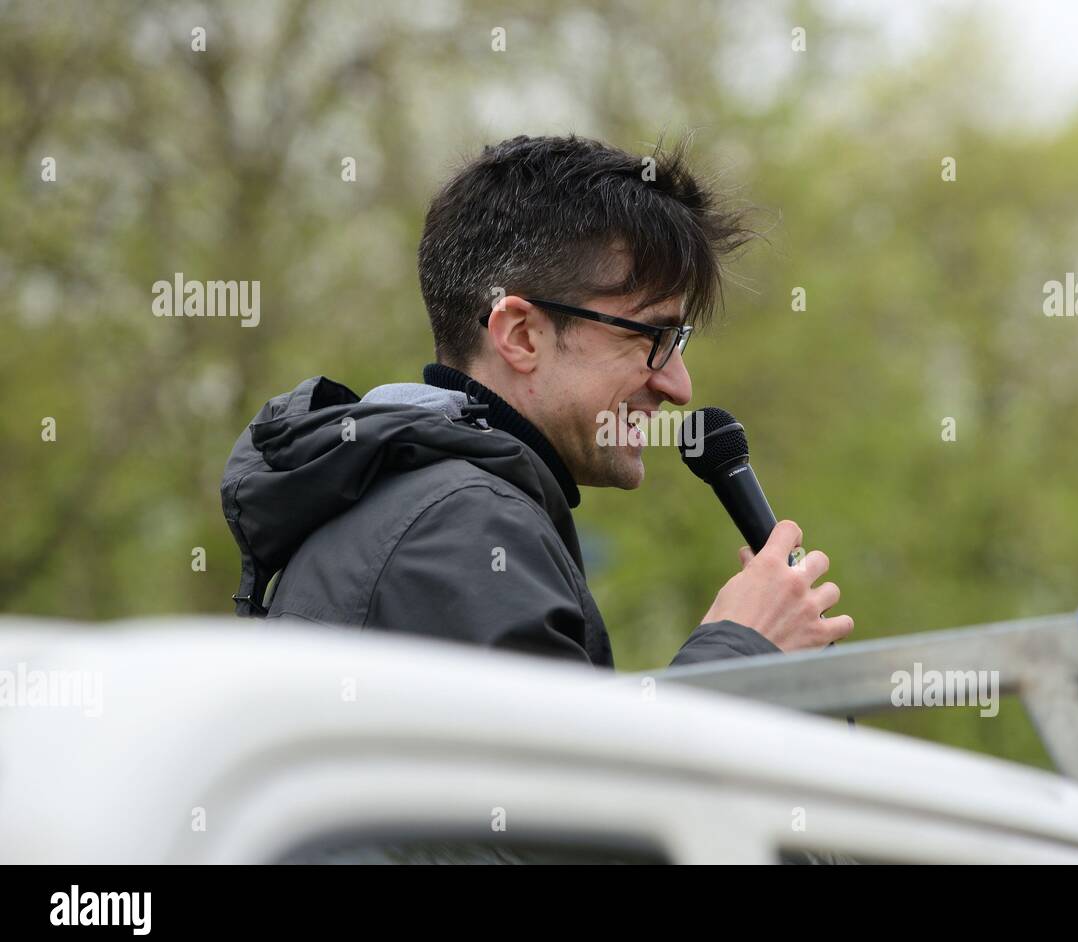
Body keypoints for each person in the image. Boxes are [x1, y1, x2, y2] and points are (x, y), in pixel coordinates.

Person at [221, 133, 852, 668]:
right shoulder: (462, 529)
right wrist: (742, 650)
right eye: (652, 337)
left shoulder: (415, 501)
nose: (678, 386)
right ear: (521, 335)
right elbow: (562, 804)